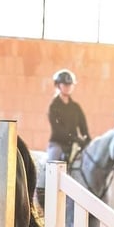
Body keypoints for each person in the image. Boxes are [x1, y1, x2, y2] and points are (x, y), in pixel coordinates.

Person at [36, 68, 90, 206]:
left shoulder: (76, 107)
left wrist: (86, 138)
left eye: (70, 85)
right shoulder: (54, 105)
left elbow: (83, 126)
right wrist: (74, 137)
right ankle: (42, 192)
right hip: (58, 144)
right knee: (51, 160)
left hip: (74, 144)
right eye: (65, 84)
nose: (67, 87)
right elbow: (57, 129)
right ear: (58, 85)